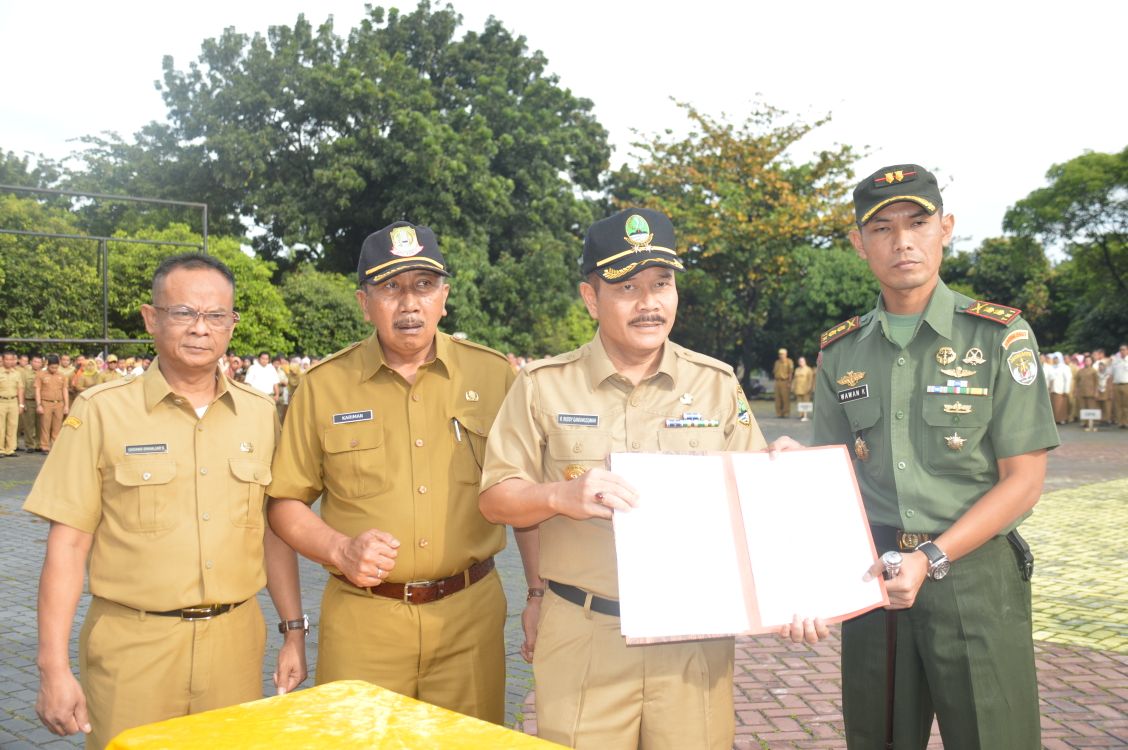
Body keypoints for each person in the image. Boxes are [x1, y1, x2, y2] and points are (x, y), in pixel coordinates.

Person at [478, 207, 821, 749]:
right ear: (591, 297)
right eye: (628, 287)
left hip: (695, 638)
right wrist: (559, 495)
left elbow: (757, 508)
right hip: (584, 635)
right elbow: (496, 499)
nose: (649, 303)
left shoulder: (715, 384)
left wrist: (781, 475)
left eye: (661, 284)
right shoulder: (544, 386)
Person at [811, 164, 1058, 749]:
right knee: (877, 739)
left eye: (918, 223)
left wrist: (933, 556)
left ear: (945, 228)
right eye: (882, 228)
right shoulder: (840, 349)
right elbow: (826, 476)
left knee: (993, 737)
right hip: (874, 580)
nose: (902, 242)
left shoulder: (998, 336)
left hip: (973, 576)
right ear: (858, 243)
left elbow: (1023, 482)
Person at [24, 253, 307, 749]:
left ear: (232, 325)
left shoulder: (260, 417)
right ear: (152, 318)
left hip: (235, 646)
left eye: (216, 316)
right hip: (134, 649)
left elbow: (272, 532)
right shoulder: (100, 413)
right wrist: (53, 667)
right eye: (184, 313)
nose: (201, 329)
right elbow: (67, 548)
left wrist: (294, 632)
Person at [267, 221, 515, 723]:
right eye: (390, 288)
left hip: (470, 617)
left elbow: (524, 491)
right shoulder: (323, 386)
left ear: (444, 297)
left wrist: (536, 594)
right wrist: (339, 548)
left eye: (423, 286)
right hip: (364, 621)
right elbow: (285, 503)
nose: (409, 304)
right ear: (364, 303)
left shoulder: (494, 377)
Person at [0, 349, 25, 457]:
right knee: (1, 427)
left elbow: (20, 389)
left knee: (13, 425)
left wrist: (21, 404)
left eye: (11, 359)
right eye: (7, 359)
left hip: (13, 401)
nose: (9, 362)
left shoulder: (17, 373)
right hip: (1, 401)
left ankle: (10, 449)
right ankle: (1, 449)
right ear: (3, 360)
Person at [20, 354, 42, 451]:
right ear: (31, 362)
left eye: (39, 362)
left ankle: (39, 444)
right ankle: (30, 445)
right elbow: (22, 388)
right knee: (29, 424)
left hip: (41, 402)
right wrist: (22, 402)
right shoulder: (25, 373)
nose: (37, 364)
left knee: (40, 424)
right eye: (35, 361)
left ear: (42, 363)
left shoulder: (43, 373)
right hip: (29, 401)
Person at [772, 347, 795, 417]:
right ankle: (779, 413)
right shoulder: (777, 362)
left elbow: (790, 373)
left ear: (786, 354)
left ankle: (786, 413)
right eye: (780, 354)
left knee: (785, 399)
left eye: (782, 354)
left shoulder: (789, 361)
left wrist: (789, 382)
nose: (781, 355)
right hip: (777, 381)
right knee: (777, 399)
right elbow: (774, 372)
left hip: (785, 381)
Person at [792, 355, 815, 419]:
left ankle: (805, 415)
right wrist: (793, 386)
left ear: (805, 362)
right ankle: (800, 415)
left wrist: (809, 387)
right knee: (799, 402)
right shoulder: (797, 369)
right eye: (799, 361)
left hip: (805, 388)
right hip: (798, 388)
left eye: (802, 361)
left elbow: (810, 380)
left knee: (805, 402)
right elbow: (794, 379)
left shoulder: (808, 369)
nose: (800, 362)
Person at [1112, 343, 1128, 428]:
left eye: (1124, 350)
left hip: (1126, 384)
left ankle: (1126, 421)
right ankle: (1120, 422)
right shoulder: (1116, 361)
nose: (1122, 351)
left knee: (1126, 405)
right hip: (1117, 384)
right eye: (1121, 350)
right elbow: (1112, 372)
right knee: (1118, 405)